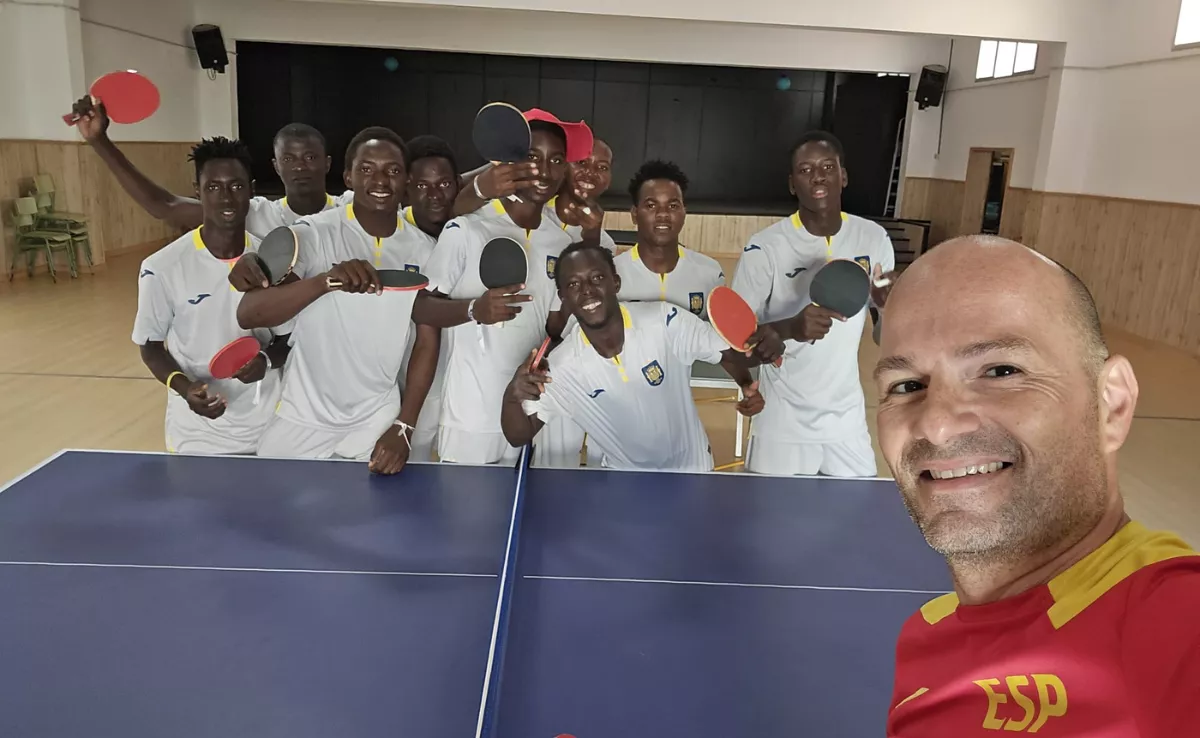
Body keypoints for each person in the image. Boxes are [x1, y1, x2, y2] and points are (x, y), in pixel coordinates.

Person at [877, 236, 1199, 738]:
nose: (936, 424)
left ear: (1111, 405)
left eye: (1001, 371)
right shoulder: (926, 635)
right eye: (906, 385)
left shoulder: (1169, 624)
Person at [234, 127, 439, 475]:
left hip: (377, 415)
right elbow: (248, 313)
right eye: (367, 168)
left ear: (405, 179)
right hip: (305, 412)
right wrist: (326, 281)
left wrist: (404, 425)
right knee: (273, 513)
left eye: (392, 170)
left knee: (377, 522)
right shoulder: (313, 233)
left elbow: (427, 340)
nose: (381, 180)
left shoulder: (425, 249)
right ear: (347, 176)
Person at [502, 243, 775, 471]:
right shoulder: (561, 369)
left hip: (692, 472)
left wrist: (778, 337)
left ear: (616, 282)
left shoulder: (666, 322)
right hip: (625, 483)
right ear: (562, 296)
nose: (587, 290)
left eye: (597, 278)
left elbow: (735, 352)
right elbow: (518, 435)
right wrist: (511, 397)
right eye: (574, 284)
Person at [423, 110, 591, 465]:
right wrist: (473, 310)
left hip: (527, 413)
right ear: (511, 162)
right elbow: (420, 307)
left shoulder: (559, 243)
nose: (545, 171)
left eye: (556, 160)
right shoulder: (466, 229)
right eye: (533, 158)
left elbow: (550, 328)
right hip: (471, 420)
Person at [732, 130, 895, 477]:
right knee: (773, 525)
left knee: (850, 523)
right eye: (805, 170)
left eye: (827, 167)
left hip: (846, 421)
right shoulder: (765, 248)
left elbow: (886, 337)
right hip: (782, 422)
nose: (817, 176)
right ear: (792, 184)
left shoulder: (874, 239)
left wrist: (887, 309)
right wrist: (791, 327)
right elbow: (735, 340)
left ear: (844, 175)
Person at [131, 137, 289, 454]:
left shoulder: (275, 261)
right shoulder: (162, 268)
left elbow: (289, 339)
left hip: (270, 427)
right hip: (197, 435)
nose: (226, 197)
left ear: (252, 189)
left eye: (236, 186)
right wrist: (185, 387)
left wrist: (266, 359)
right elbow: (150, 348)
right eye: (213, 187)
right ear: (197, 191)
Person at [71, 98, 348, 237]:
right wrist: (99, 142)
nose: (300, 167)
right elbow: (164, 206)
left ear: (327, 163)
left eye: (310, 157)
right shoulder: (255, 214)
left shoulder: (349, 210)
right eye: (289, 159)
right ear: (276, 166)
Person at [456, 137, 617, 251]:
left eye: (602, 167)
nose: (590, 173)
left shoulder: (605, 244)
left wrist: (592, 239)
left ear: (610, 180)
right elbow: (454, 214)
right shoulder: (528, 207)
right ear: (565, 168)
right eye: (582, 162)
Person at [615, 160, 725, 318]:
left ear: (684, 212)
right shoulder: (613, 274)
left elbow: (720, 338)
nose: (663, 214)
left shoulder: (710, 273)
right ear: (634, 214)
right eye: (651, 205)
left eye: (673, 206)